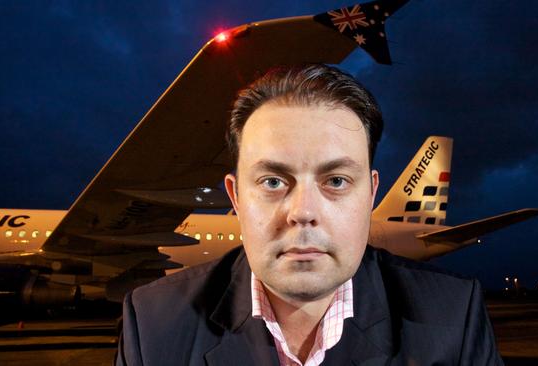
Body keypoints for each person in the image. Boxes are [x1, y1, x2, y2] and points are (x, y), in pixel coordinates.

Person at [116, 64, 504, 365]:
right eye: (271, 182)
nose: (302, 212)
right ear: (235, 197)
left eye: (335, 180)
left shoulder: (453, 315)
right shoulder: (153, 324)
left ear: (371, 193)